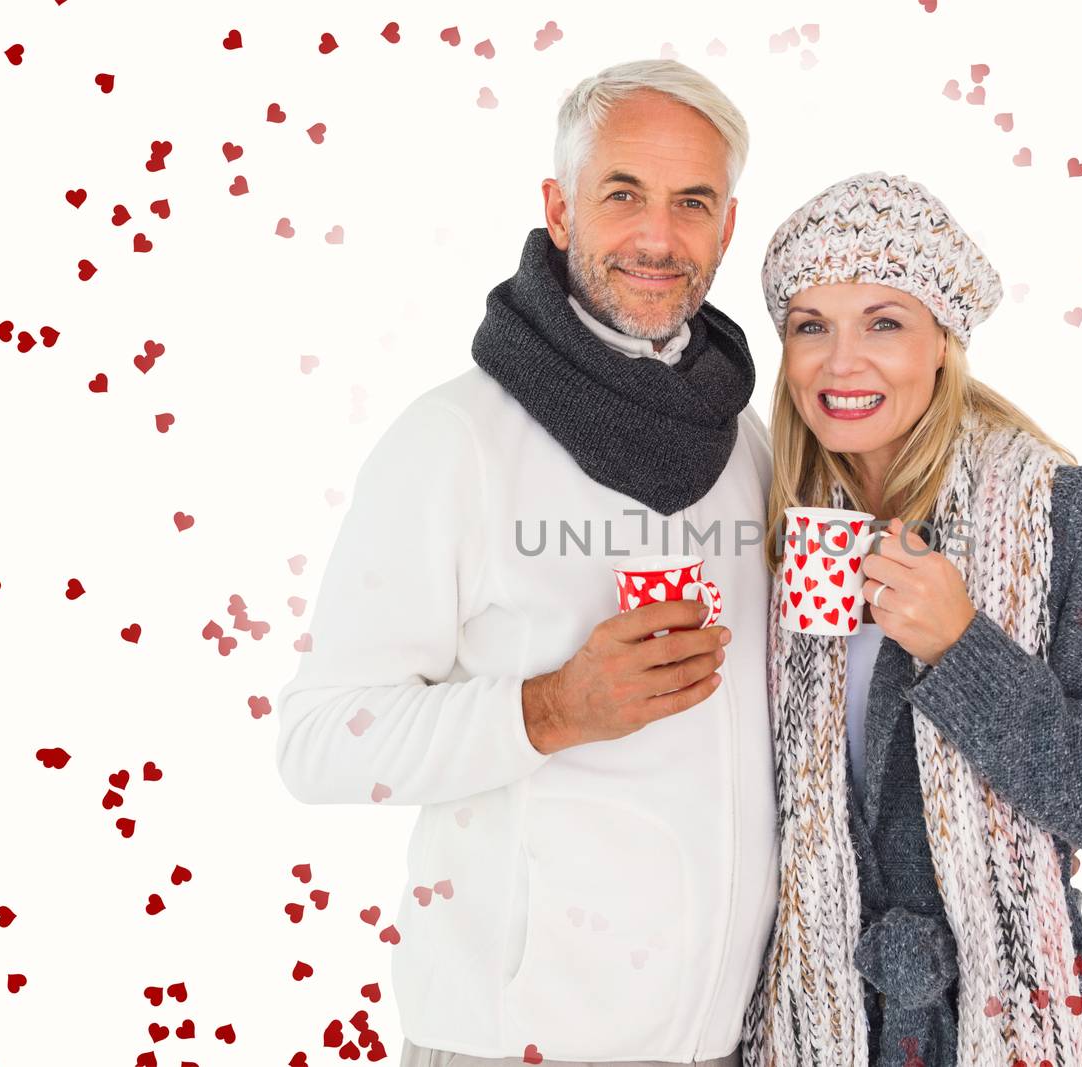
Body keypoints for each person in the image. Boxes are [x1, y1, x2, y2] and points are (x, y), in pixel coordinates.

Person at [274, 60, 778, 1067]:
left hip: (725, 1040)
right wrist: (549, 707)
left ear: (726, 228)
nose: (656, 237)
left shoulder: (746, 438)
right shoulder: (454, 440)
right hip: (512, 1043)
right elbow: (319, 740)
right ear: (558, 207)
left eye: (692, 203)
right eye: (622, 193)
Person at [740, 173, 1082, 1067]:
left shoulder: (1069, 513)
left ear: (943, 341)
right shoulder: (771, 525)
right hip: (808, 1026)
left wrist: (963, 650)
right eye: (811, 326)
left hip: (1006, 1025)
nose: (841, 363)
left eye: (884, 322)